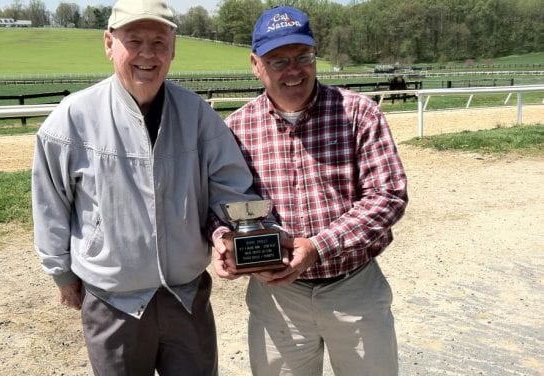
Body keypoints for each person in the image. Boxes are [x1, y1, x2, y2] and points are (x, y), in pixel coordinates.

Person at [31, 0, 260, 374]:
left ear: (173, 48)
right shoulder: (71, 120)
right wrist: (62, 273)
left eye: (159, 42)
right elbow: (50, 204)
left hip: (186, 296)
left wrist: (230, 236)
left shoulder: (197, 114)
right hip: (112, 302)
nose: (147, 54)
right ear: (109, 43)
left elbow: (230, 187)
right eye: (133, 40)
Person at [213, 6, 408, 376]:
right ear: (256, 64)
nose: (294, 70)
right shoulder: (235, 128)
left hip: (353, 287)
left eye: (303, 57)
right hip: (277, 299)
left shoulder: (358, 113)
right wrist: (224, 242)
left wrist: (318, 247)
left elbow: (388, 196)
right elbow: (220, 204)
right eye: (278, 60)